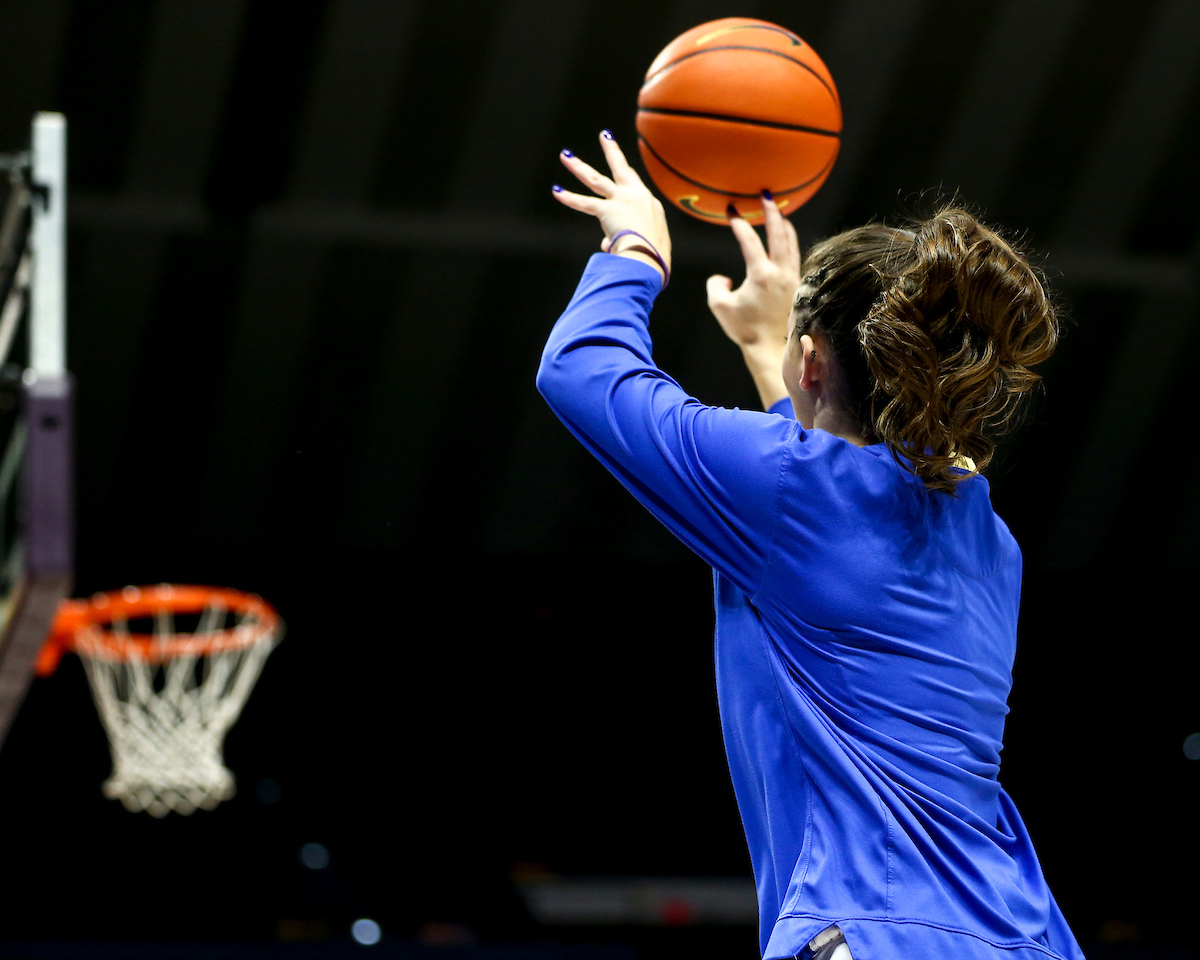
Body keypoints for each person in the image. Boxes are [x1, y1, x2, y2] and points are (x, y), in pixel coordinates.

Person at [538, 131, 1084, 960]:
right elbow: (820, 522)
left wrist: (637, 244)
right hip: (1022, 932)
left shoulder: (794, 496)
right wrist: (772, 348)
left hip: (877, 935)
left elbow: (579, 370)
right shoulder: (984, 533)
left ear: (815, 361)